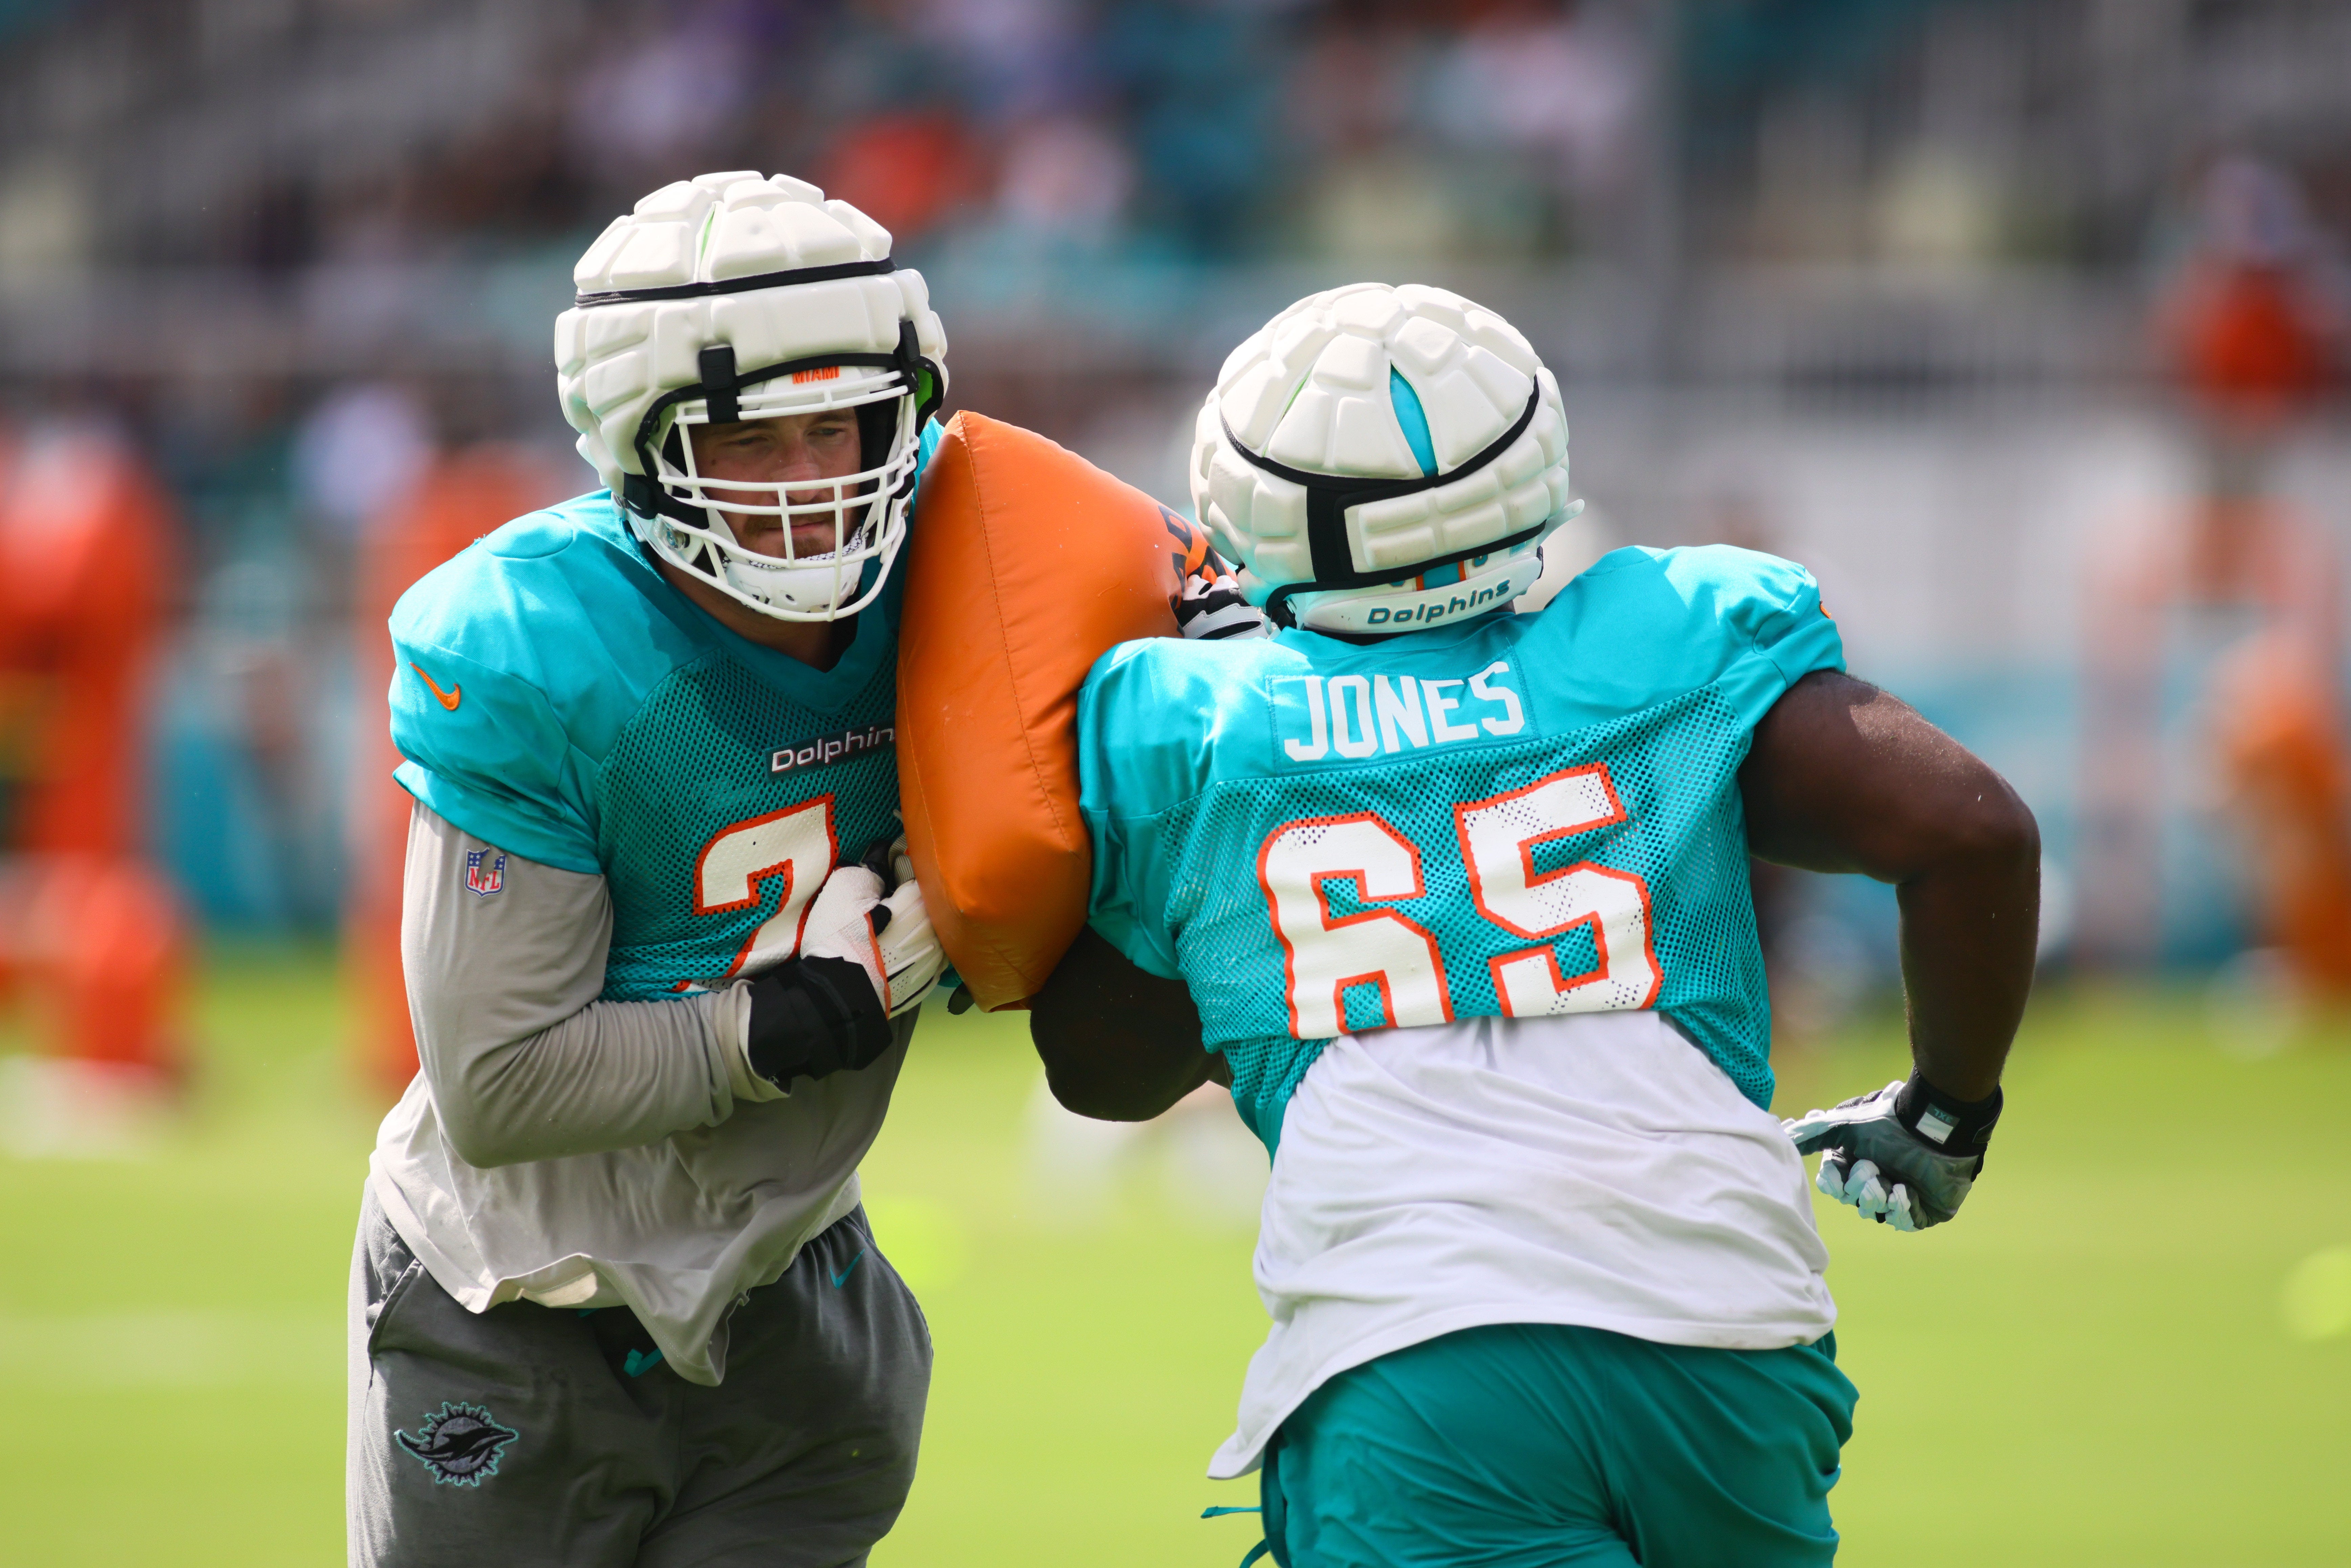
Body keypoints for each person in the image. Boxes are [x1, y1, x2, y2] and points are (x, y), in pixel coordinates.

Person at [1030, 283, 2039, 1567]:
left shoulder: (1192, 719)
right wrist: (1946, 1114)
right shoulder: (1668, 639)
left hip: (1422, 1357)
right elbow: (1974, 832)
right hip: (1735, 1342)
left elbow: (1104, 1078)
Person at [347, 171, 956, 1567]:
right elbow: (498, 1085)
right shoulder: (537, 643)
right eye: (752, 439)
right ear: (644, 444)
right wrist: (782, 1025)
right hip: (515, 1300)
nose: (813, 483)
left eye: (840, 426)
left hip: (796, 1283)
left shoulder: (973, 564)